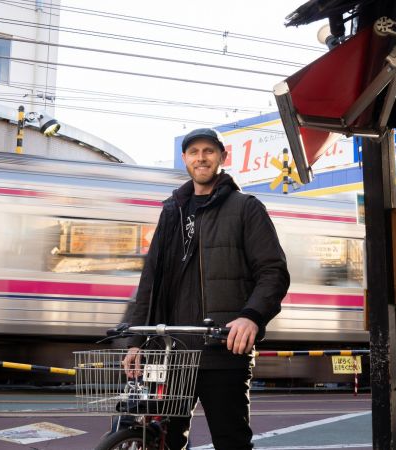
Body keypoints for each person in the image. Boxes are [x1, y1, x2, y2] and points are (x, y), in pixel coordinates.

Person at [123, 127, 290, 450]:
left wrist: (251, 317)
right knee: (162, 442)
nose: (201, 158)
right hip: (168, 353)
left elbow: (273, 272)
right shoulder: (171, 210)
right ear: (185, 159)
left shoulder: (245, 208)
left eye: (209, 151)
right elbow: (150, 281)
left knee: (231, 441)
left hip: (221, 351)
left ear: (222, 158)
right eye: (194, 152)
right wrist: (136, 341)